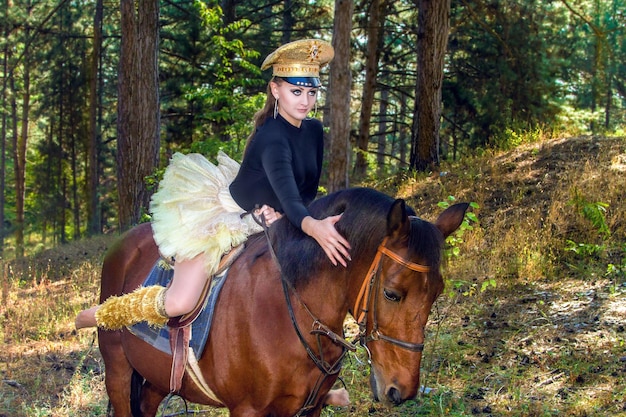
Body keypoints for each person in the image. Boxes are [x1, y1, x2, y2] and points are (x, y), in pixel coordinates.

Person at [75, 39, 351, 332]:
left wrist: (286, 218)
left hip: (279, 216)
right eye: (296, 91)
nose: (305, 101)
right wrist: (309, 223)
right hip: (229, 214)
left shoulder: (314, 130)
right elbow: (290, 194)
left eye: (311, 92)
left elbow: (304, 193)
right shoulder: (272, 136)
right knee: (180, 301)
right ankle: (97, 316)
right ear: (275, 90)